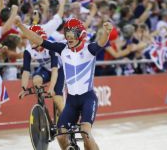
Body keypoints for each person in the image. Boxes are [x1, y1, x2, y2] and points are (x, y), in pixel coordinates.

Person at [16, 17, 113, 150]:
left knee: (86, 133)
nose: (69, 37)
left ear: (81, 35)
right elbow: (38, 39)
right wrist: (20, 26)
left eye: (72, 34)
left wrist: (106, 32)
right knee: (61, 136)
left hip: (87, 99)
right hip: (72, 101)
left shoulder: (89, 49)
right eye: (67, 34)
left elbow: (101, 43)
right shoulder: (62, 49)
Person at [18, 25, 65, 114]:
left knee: (57, 99)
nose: (32, 43)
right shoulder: (28, 50)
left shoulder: (51, 47)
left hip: (58, 70)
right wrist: (24, 89)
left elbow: (55, 70)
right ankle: (41, 105)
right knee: (36, 80)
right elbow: (26, 71)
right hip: (45, 69)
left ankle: (68, 122)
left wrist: (51, 88)